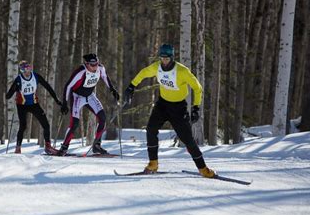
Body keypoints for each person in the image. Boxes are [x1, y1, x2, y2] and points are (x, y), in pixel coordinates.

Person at [123, 44, 215, 177]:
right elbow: (143, 73)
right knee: (151, 129)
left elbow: (197, 88)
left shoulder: (182, 71)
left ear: (172, 58)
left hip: (178, 108)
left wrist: (196, 108)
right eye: (162, 58)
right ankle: (153, 164)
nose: (164, 61)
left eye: (167, 58)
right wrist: (131, 86)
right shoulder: (157, 67)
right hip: (163, 105)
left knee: (188, 139)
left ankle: (203, 169)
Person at [57, 53, 120, 156]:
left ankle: (96, 146)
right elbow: (68, 86)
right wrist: (64, 103)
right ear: (86, 64)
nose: (95, 66)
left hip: (90, 96)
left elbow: (105, 77)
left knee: (102, 118)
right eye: (92, 64)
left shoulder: (100, 68)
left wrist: (113, 90)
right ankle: (64, 148)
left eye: (96, 63)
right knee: (75, 123)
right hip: (77, 97)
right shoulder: (80, 72)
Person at [6, 60, 63, 155]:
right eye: (25, 69)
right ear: (22, 71)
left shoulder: (35, 76)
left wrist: (57, 100)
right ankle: (18, 148)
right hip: (22, 106)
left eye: (29, 68)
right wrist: (13, 89)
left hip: (34, 104)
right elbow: (8, 95)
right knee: (23, 126)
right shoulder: (19, 80)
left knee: (46, 125)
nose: (28, 71)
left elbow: (48, 87)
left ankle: (48, 147)